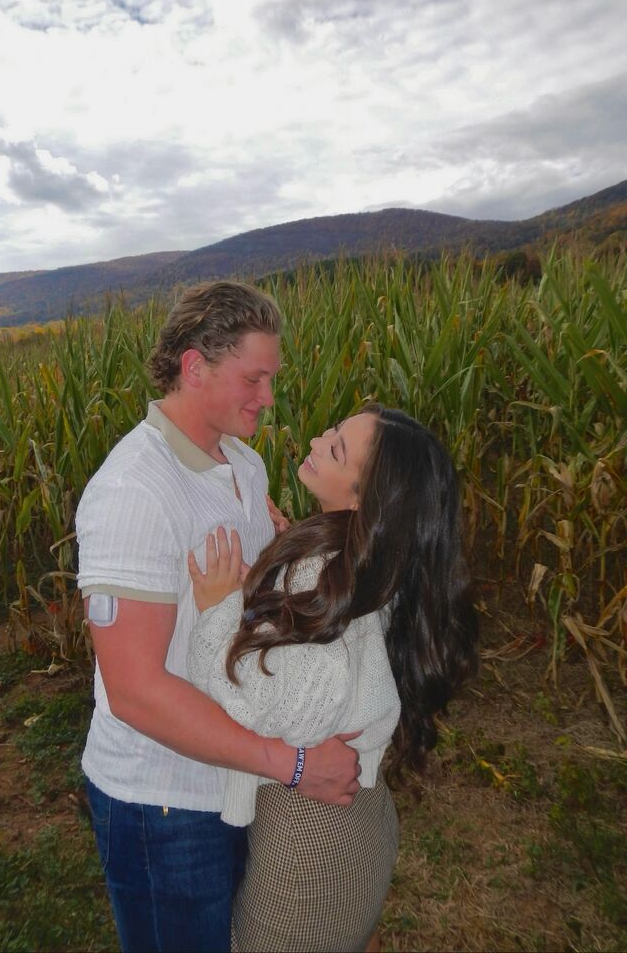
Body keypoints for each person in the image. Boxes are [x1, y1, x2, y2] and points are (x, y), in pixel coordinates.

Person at [75, 281, 361, 953]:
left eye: (271, 377)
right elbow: (138, 692)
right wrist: (289, 765)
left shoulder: (244, 465)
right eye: (252, 378)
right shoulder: (133, 494)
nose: (267, 397)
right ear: (195, 366)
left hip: (231, 779)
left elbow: (241, 616)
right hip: (163, 802)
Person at [187, 404, 479, 953]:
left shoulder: (325, 571)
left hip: (311, 840)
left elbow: (283, 704)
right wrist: (288, 551)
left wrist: (218, 612)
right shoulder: (374, 565)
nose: (320, 438)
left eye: (338, 447)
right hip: (360, 817)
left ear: (362, 501)